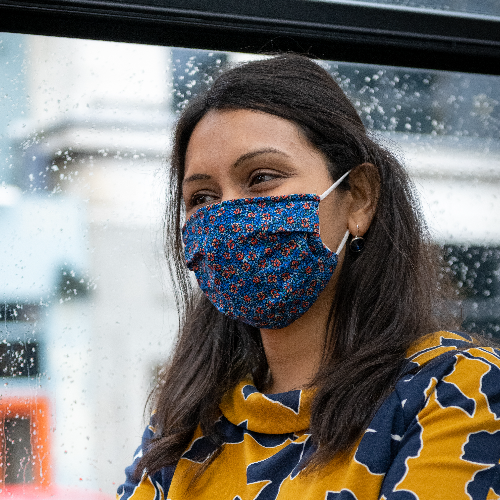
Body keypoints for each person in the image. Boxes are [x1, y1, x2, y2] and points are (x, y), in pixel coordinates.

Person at [117, 54, 500, 500]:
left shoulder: (457, 391)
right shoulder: (183, 423)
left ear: (358, 199)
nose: (225, 213)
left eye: (261, 178)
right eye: (201, 197)